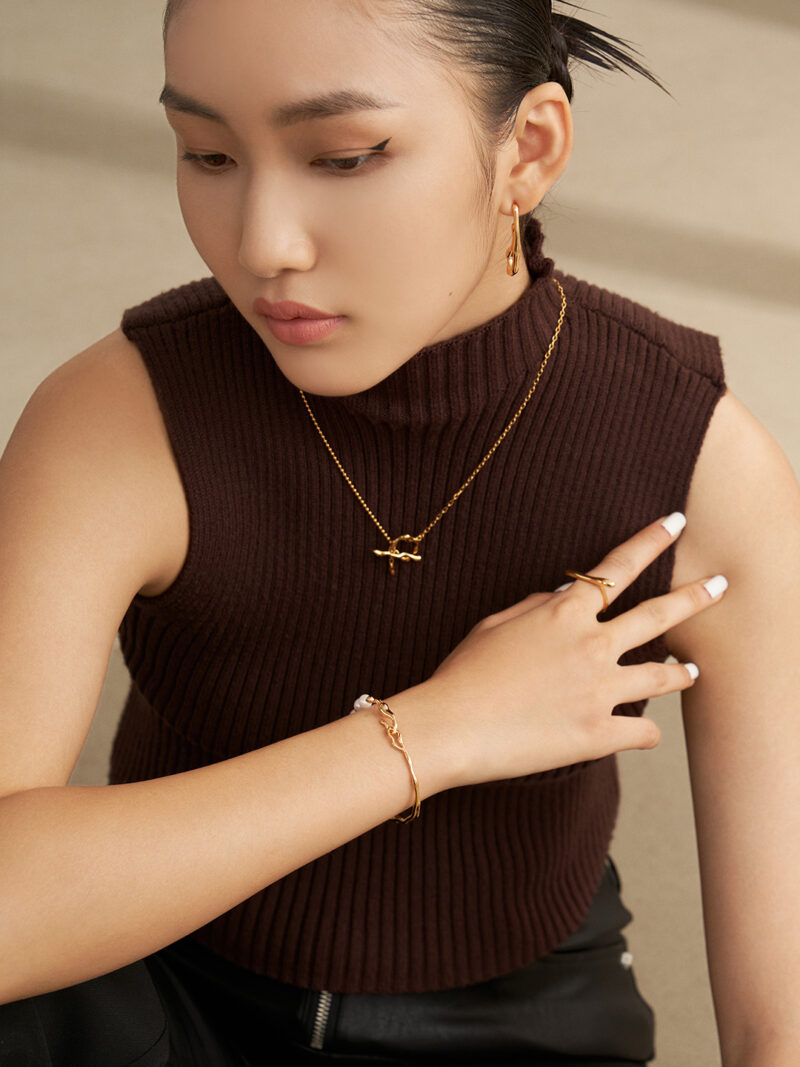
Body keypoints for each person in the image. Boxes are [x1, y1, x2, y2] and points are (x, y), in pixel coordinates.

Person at [0, 0, 798, 1064]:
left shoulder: (695, 457)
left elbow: (778, 1020)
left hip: (517, 1018)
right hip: (139, 981)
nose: (262, 245)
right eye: (208, 153)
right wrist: (440, 730)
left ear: (525, 149)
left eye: (342, 157)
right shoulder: (119, 416)